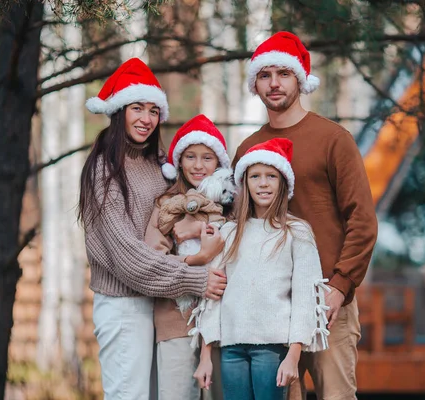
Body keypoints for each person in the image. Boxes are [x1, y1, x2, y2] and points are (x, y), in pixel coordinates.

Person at [232, 32, 378, 400]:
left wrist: (340, 286)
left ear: (300, 79)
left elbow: (362, 220)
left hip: (327, 301)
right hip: (269, 308)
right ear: (255, 83)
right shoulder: (249, 150)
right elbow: (235, 226)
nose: (275, 83)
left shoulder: (333, 139)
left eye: (284, 73)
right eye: (265, 75)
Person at [78, 58, 226, 400]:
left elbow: (179, 216)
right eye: (136, 108)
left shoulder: (157, 161)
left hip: (162, 303)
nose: (146, 119)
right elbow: (129, 259)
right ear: (118, 112)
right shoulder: (105, 170)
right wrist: (197, 276)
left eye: (153, 110)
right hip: (124, 305)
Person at [192, 137, 330, 400]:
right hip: (231, 348)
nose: (263, 183)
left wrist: (293, 354)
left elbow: (305, 298)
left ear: (283, 183)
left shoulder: (296, 232)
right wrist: (206, 355)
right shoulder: (229, 232)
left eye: (271, 176)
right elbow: (212, 296)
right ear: (245, 183)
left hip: (272, 349)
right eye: (255, 176)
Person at [145, 114, 230, 400]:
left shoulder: (231, 205)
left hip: (223, 325)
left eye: (207, 157)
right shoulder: (165, 206)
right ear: (179, 161)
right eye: (190, 156)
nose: (198, 165)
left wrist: (198, 229)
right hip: (176, 320)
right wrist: (196, 260)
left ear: (218, 163)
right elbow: (153, 264)